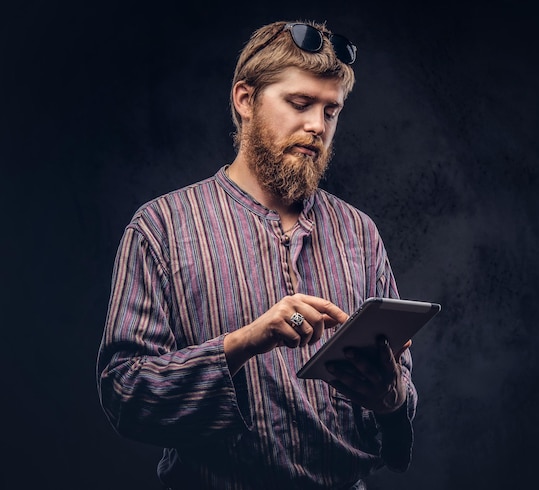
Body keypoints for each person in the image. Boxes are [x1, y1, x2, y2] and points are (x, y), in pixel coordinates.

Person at [97, 19, 418, 489]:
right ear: (245, 99)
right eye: (300, 103)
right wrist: (244, 343)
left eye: (331, 111)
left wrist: (391, 401)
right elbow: (124, 393)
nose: (316, 126)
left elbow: (401, 402)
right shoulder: (160, 228)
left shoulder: (359, 233)